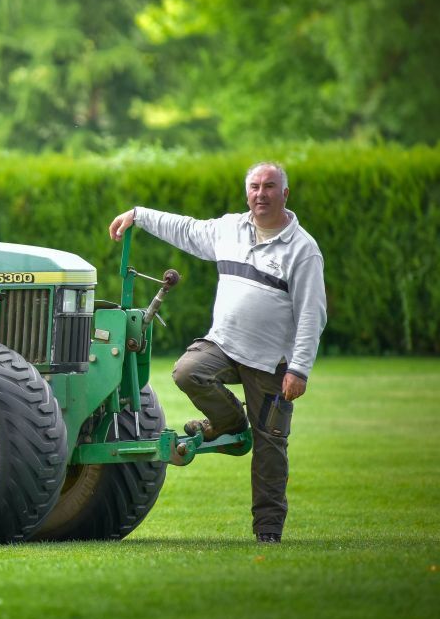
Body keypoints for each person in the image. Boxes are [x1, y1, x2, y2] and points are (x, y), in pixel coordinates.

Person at [108, 161, 326, 544]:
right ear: (247, 193)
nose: (261, 193)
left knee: (271, 447)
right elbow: (186, 229)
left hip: (272, 363)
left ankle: (268, 532)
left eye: (270, 186)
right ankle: (228, 421)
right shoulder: (230, 229)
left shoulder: (303, 250)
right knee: (187, 371)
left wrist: (300, 369)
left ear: (285, 194)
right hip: (223, 345)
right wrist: (138, 215)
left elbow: (312, 313)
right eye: (255, 186)